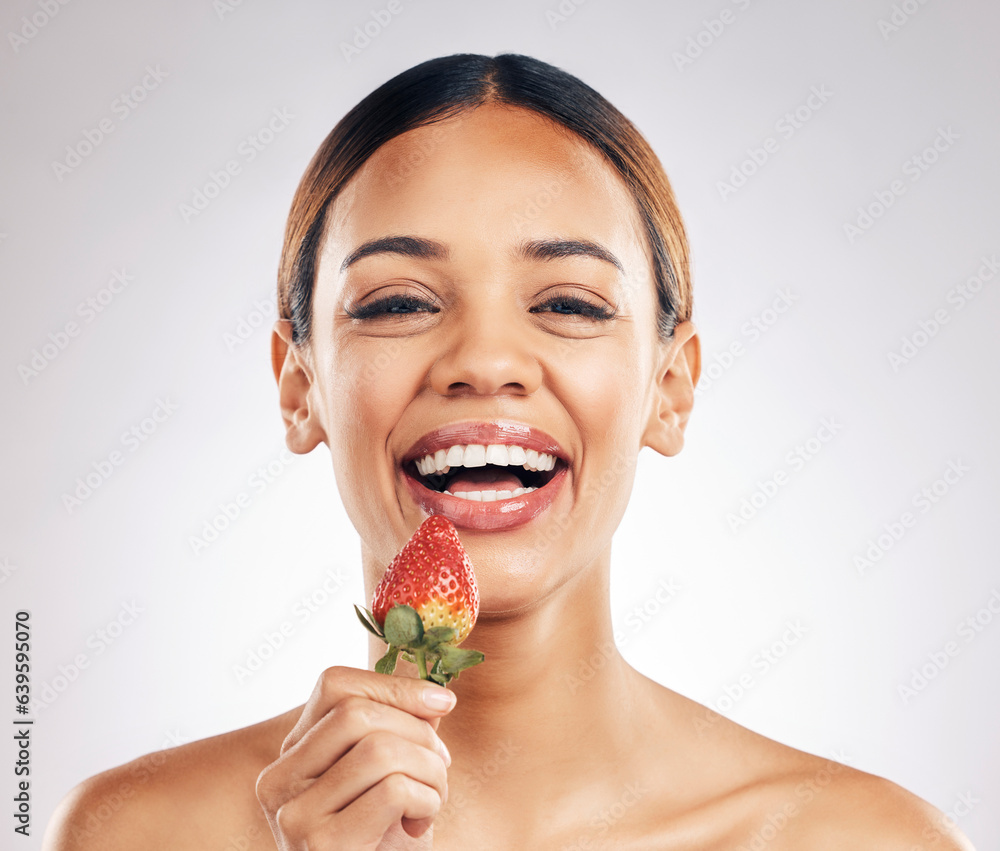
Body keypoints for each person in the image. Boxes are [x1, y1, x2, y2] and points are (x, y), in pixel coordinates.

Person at [44, 52, 975, 851]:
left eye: (568, 303)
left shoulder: (865, 839)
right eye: (399, 302)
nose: (485, 361)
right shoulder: (135, 830)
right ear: (299, 386)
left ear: (671, 387)